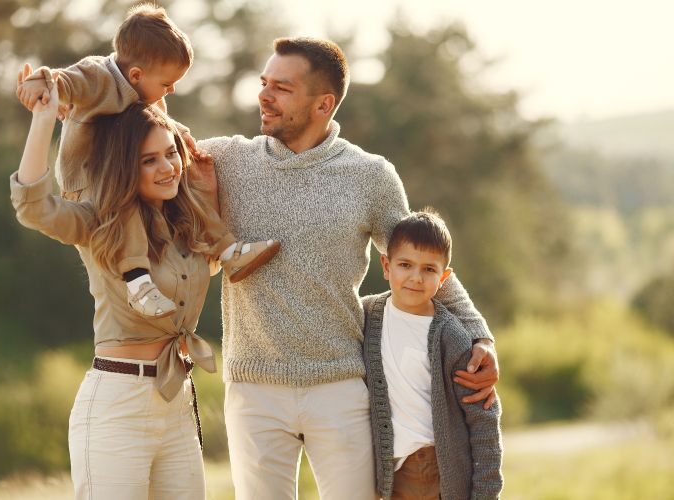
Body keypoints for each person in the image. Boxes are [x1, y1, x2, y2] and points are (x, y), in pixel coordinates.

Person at [194, 37, 499, 499]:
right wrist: (80, 93)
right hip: (253, 389)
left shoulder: (371, 175)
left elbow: (419, 263)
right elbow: (146, 139)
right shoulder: (226, 159)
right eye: (264, 83)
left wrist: (481, 336)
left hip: (341, 385)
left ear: (323, 103)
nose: (263, 95)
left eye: (281, 87)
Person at [11, 78, 217, 498]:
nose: (167, 167)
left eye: (170, 153)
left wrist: (208, 186)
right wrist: (44, 118)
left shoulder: (186, 226)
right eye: (148, 161)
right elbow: (34, 207)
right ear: (125, 166)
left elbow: (217, 260)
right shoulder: (98, 223)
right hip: (117, 404)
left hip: (177, 398)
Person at [16, 3, 279, 319]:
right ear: (136, 74)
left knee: (188, 180)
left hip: (124, 173)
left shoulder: (146, 90)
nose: (172, 89)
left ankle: (226, 249)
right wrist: (40, 85)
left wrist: (182, 139)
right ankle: (138, 281)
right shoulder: (99, 76)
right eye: (167, 83)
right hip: (89, 182)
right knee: (126, 206)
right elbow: (64, 81)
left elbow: (156, 123)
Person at [362, 209, 503, 500]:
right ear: (386, 266)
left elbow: (483, 417)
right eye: (405, 265)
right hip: (387, 469)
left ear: (444, 277)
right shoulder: (366, 315)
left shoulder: (451, 336)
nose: (415, 277)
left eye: (429, 269)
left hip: (430, 467)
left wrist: (486, 493)